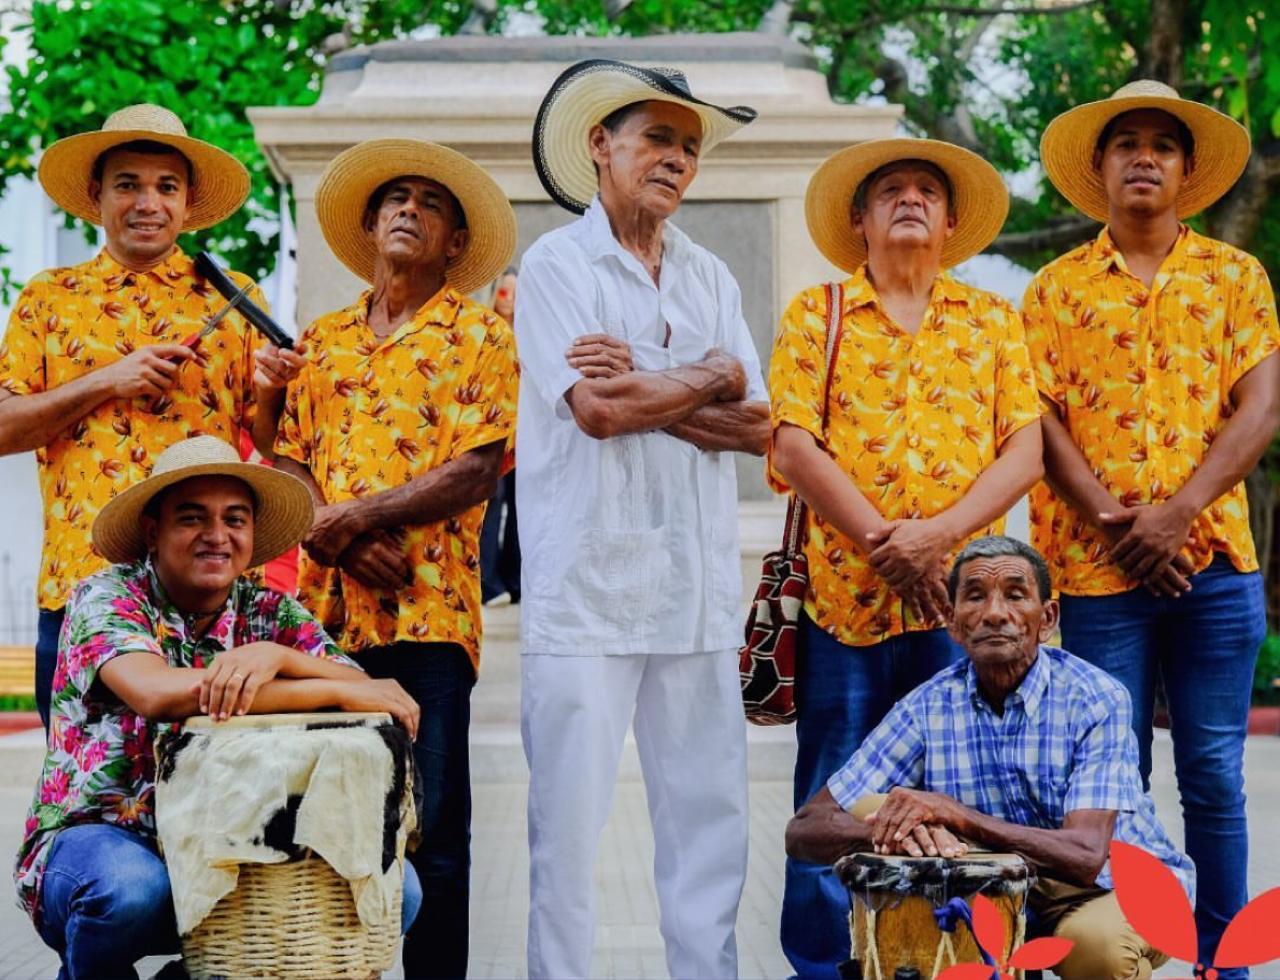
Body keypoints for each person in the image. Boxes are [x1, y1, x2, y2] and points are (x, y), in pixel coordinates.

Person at [516, 59, 769, 979]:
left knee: (710, 828)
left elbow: (759, 425)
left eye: (690, 148)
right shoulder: (553, 266)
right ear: (602, 146)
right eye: (658, 138)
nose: (676, 160)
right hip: (583, 592)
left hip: (696, 589)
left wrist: (656, 378)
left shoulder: (707, 273)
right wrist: (707, 371)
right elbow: (598, 413)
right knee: (567, 838)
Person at [768, 137, 1044, 977]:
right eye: (891, 190)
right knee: (834, 796)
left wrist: (937, 538)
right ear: (859, 218)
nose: (911, 199)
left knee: (962, 792)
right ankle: (821, 965)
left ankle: (949, 955)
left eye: (928, 189)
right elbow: (794, 444)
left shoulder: (993, 320)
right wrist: (890, 545)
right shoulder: (819, 313)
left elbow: (1024, 452)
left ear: (952, 219)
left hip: (958, 615)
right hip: (844, 606)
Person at [1025, 80, 1280, 973]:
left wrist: (1175, 517)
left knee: (1214, 779)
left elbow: (1260, 406)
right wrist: (1111, 521)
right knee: (1109, 784)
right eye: (1125, 143)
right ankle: (1123, 962)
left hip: (1215, 571)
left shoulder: (1235, 277)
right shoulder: (1054, 289)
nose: (1143, 156)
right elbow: (1040, 419)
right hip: (1096, 580)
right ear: (1099, 169)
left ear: (1184, 170)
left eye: (1161, 145)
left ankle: (1225, 962)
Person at [13, 435, 422, 980]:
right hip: (106, 838)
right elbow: (157, 692)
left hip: (232, 841)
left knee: (404, 892)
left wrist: (275, 655)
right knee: (131, 891)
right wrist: (314, 683)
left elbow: (358, 689)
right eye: (192, 518)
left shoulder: (269, 612)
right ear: (153, 532)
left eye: (235, 519)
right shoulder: (108, 595)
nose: (217, 536)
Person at [267, 138, 518, 979]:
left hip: (430, 616)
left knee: (432, 832)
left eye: (430, 202)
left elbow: (478, 465)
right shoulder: (323, 338)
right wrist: (329, 531)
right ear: (371, 226)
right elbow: (289, 457)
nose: (409, 208)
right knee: (320, 825)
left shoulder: (481, 335)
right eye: (395, 199)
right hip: (323, 625)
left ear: (453, 242)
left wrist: (348, 521)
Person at [0, 104, 304, 730]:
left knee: (211, 788)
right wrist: (106, 381)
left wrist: (273, 391)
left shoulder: (231, 295)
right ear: (96, 196)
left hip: (205, 596)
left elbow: (271, 444)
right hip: (81, 586)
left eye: (166, 187)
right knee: (85, 785)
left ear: (188, 202)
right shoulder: (48, 298)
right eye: (128, 184)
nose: (148, 202)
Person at [787, 535, 1195, 980]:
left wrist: (954, 816)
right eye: (975, 597)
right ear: (953, 624)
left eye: (1016, 595)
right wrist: (895, 840)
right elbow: (806, 828)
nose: (996, 613)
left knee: (1098, 951)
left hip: (1111, 886)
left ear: (1047, 619)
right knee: (880, 811)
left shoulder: (1096, 698)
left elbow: (1085, 855)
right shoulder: (928, 705)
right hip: (999, 879)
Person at [480, 266, 522, 606]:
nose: (509, 300)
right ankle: (488, 582)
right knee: (491, 503)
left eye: (516, 293)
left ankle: (515, 579)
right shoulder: (482, 331)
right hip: (492, 428)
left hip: (526, 432)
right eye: (505, 291)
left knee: (521, 505)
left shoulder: (530, 332)